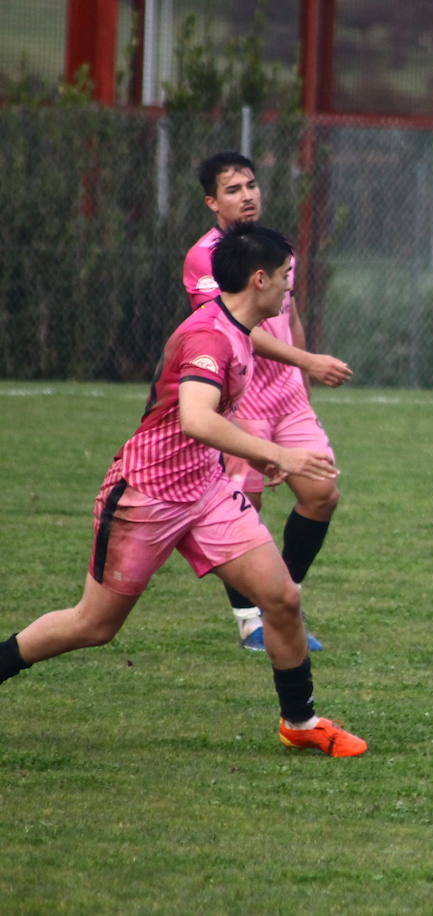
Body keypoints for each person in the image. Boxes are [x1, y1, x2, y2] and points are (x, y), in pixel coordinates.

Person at [0, 224, 366, 756]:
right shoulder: (209, 337)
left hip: (206, 492)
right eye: (286, 277)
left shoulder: (240, 329)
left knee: (281, 597)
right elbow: (196, 418)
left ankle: (301, 722)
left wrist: (265, 453)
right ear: (259, 279)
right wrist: (277, 454)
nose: (291, 289)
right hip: (145, 497)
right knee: (93, 625)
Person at [185, 152, 349, 651]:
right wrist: (309, 358)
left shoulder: (277, 248)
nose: (247, 195)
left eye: (251, 185)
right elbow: (235, 329)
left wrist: (303, 378)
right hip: (241, 402)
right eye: (233, 189)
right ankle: (251, 622)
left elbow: (289, 313)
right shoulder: (205, 258)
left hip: (288, 399)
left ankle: (286, 603)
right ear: (212, 202)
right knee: (242, 514)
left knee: (322, 493)